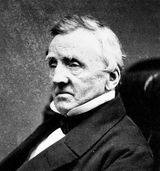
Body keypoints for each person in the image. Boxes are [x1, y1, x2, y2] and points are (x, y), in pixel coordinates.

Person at [0, 15, 153, 171]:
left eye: (74, 64)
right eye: (53, 64)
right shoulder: (56, 120)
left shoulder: (130, 154)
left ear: (112, 78)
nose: (57, 78)